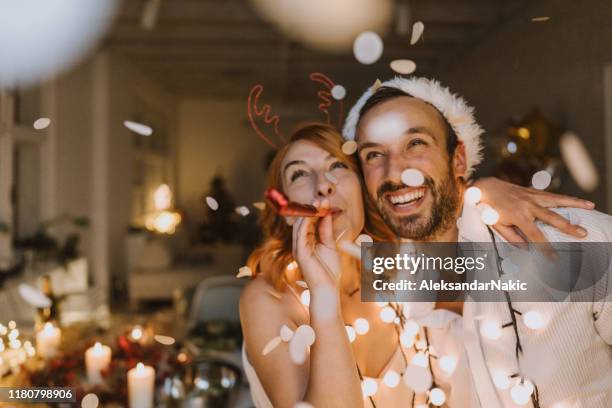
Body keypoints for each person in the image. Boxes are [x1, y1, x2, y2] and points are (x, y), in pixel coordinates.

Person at [239, 119, 593, 407]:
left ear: (364, 191)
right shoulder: (268, 297)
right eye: (299, 174)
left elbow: (516, 274)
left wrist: (483, 192)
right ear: (285, 212)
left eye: (337, 166)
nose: (323, 186)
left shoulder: (391, 266)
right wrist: (323, 294)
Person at [342, 76, 612, 407]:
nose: (395, 172)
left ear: (458, 158)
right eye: (373, 155)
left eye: (415, 144)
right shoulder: (384, 276)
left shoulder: (575, 241)